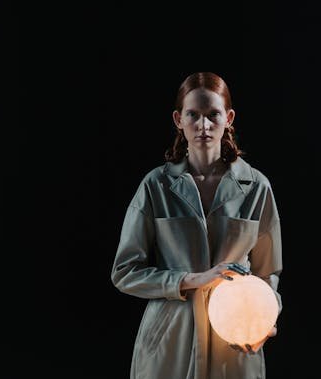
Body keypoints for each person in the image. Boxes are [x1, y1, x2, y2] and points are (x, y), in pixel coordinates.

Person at [111, 72, 283, 379]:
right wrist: (195, 279)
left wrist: (263, 322)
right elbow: (125, 272)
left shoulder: (256, 187)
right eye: (193, 115)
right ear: (178, 120)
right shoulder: (156, 186)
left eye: (213, 115)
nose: (203, 126)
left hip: (233, 340)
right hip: (169, 337)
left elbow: (267, 272)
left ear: (228, 118)